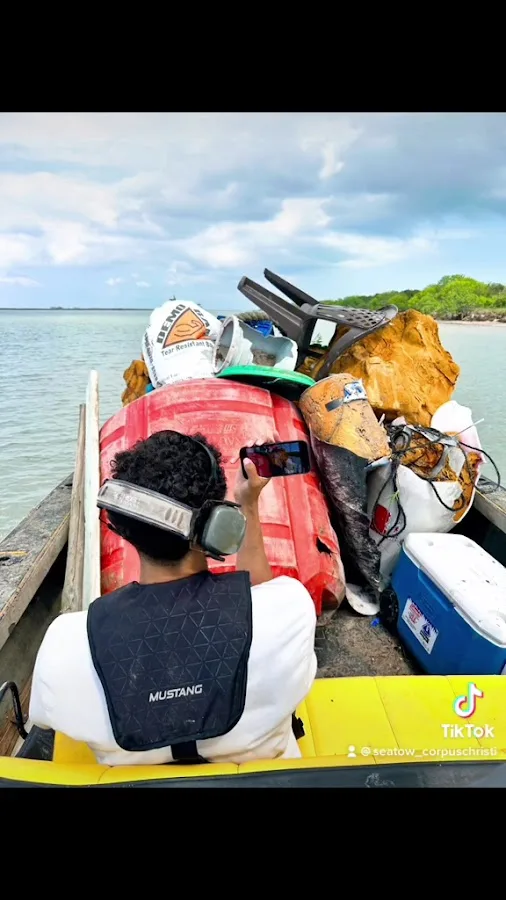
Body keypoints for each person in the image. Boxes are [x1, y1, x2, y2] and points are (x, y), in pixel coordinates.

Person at [29, 430, 317, 766]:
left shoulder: (65, 643)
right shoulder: (289, 611)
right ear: (217, 526)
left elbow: (44, 722)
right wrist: (247, 504)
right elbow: (257, 602)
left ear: (120, 525)